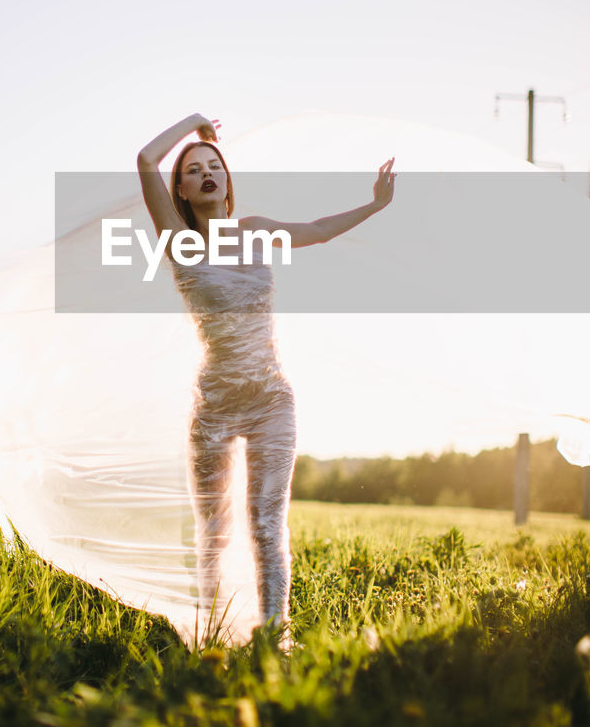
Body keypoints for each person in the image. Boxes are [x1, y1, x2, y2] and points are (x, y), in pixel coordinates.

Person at [137, 112, 396, 638]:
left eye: (216, 166)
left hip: (273, 401)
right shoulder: (177, 240)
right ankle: (209, 634)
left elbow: (320, 232)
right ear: (181, 191)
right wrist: (193, 125)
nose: (208, 173)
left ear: (228, 182)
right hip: (213, 406)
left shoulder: (254, 231)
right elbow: (145, 161)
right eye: (194, 170)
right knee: (213, 532)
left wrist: (376, 203)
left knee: (265, 525)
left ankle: (275, 637)